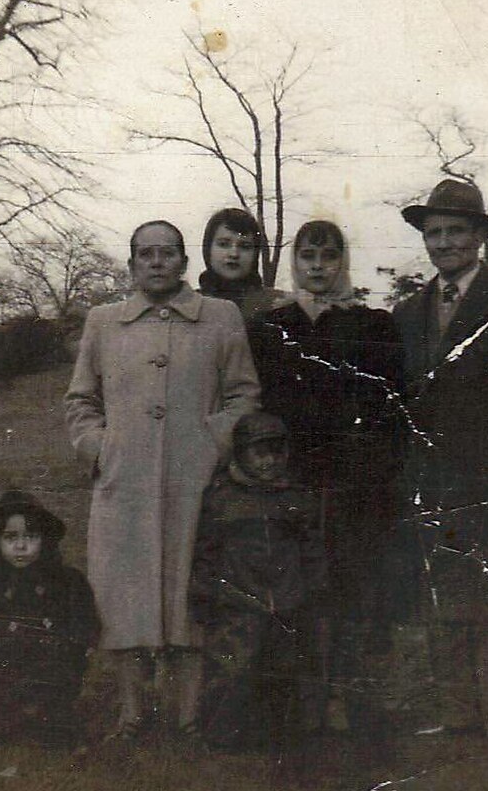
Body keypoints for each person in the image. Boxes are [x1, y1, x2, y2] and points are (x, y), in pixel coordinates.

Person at [64, 220, 260, 740]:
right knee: (122, 597)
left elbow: (244, 395)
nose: (156, 263)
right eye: (145, 254)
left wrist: (213, 444)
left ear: (184, 262)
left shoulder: (220, 317)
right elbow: (80, 401)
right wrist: (99, 447)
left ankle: (189, 715)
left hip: (195, 485)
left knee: (189, 598)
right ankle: (131, 714)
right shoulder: (103, 322)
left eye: (167, 253)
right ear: (130, 265)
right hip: (123, 485)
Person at [392, 179, 488, 745]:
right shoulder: (408, 313)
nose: (443, 243)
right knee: (444, 602)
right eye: (433, 233)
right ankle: (458, 716)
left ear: (481, 235)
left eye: (456, 230)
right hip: (431, 485)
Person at [247, 219, 404, 736]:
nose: (318, 268)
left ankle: (345, 698)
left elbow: (389, 406)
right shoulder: (271, 328)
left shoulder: (372, 325)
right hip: (291, 479)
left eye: (329, 257)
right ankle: (295, 703)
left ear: (343, 263)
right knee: (293, 591)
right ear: (295, 262)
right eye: (309, 257)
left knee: (346, 591)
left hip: (352, 484)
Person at [190, 412, 326, 752]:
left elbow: (311, 547)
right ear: (240, 455)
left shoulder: (295, 496)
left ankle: (281, 738)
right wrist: (203, 593)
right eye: (259, 453)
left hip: (287, 600)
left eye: (276, 453)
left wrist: (315, 586)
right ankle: (220, 738)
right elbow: (206, 551)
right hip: (237, 602)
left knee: (284, 669)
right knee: (232, 669)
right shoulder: (222, 498)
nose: (269, 461)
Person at [0, 490, 101, 747]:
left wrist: (66, 646)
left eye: (31, 536)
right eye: (10, 537)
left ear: (45, 540)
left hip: (56, 674)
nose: (21, 546)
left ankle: (51, 716)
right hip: (7, 674)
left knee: (56, 730)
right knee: (3, 728)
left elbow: (84, 628)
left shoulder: (68, 581)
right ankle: (12, 715)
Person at [196, 207, 281, 319]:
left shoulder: (277, 305)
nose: (234, 254)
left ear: (255, 253)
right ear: (208, 249)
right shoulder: (188, 304)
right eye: (224, 244)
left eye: (245, 246)